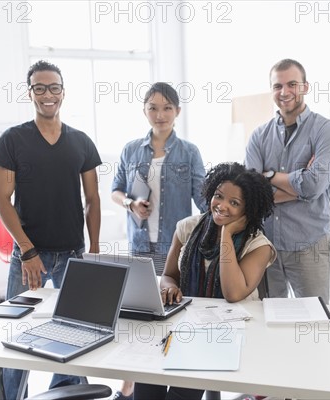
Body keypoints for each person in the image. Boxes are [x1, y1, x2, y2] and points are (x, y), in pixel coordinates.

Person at [0, 60, 102, 399]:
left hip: (72, 255)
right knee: (16, 336)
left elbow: (93, 199)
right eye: (40, 87)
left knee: (77, 333)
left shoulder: (81, 142)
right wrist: (27, 250)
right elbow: (1, 199)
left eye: (54, 87)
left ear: (63, 93)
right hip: (28, 257)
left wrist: (94, 248)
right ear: (30, 93)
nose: (47, 94)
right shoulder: (13, 140)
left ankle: (66, 393)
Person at [134, 162, 277, 400]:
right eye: (218, 196)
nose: (221, 206)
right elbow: (169, 275)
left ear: (249, 210)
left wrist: (226, 234)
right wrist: (169, 286)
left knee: (182, 389)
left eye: (234, 203)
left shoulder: (258, 245)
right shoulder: (188, 227)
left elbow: (233, 293)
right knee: (147, 378)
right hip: (185, 323)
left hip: (231, 331)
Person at [110, 82, 207, 400]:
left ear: (177, 111)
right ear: (144, 111)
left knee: (173, 317)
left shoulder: (189, 152)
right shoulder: (130, 149)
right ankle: (135, 379)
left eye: (167, 107)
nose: (160, 114)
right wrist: (130, 204)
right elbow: (116, 189)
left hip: (173, 250)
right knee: (141, 319)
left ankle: (171, 374)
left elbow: (204, 201)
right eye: (153, 107)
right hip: (140, 246)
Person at [245, 58, 330, 303]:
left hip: (310, 245)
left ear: (305, 87)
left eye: (292, 84)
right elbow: (252, 194)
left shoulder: (325, 131)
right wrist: (302, 187)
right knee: (268, 322)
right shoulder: (258, 136)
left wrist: (269, 176)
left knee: (314, 323)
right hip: (266, 247)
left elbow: (315, 184)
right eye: (278, 86)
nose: (285, 92)